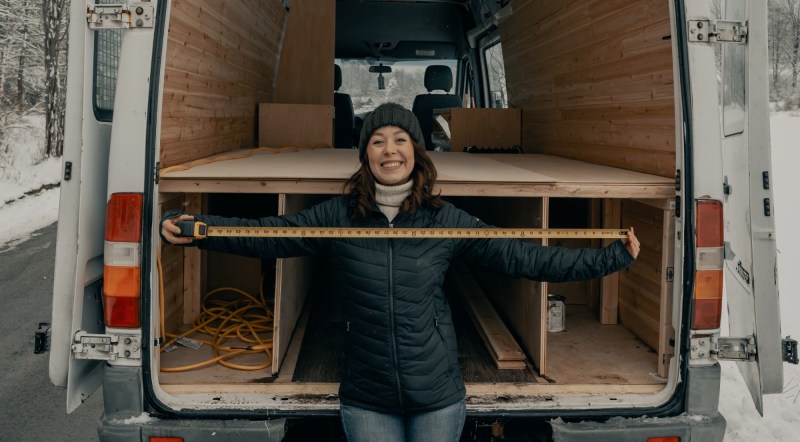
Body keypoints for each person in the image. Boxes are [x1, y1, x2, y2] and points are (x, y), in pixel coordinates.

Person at [161, 102, 641, 442]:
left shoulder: (445, 219)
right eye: (377, 140)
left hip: (438, 395)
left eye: (400, 139)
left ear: (416, 151)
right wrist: (200, 229)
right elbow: (266, 233)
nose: (389, 150)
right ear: (365, 155)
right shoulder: (337, 216)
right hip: (367, 395)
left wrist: (610, 257)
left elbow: (528, 257)